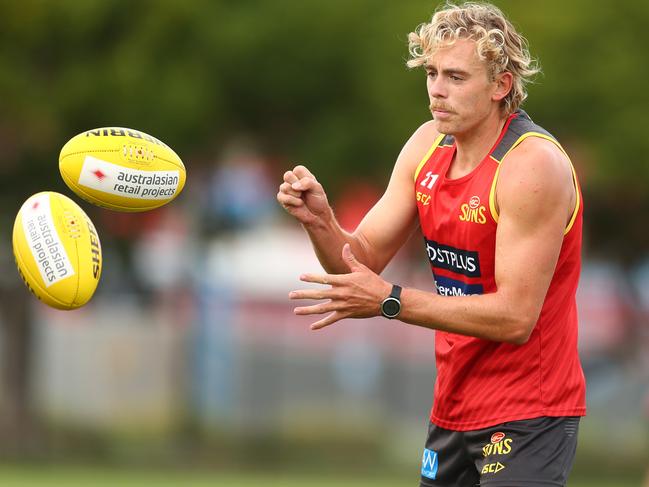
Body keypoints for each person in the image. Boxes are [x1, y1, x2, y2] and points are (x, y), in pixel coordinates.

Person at [277, 2, 585, 486]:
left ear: (500, 86)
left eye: (457, 77)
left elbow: (516, 317)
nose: (437, 91)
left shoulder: (531, 167)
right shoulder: (426, 146)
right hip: (453, 405)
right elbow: (358, 263)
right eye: (432, 73)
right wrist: (320, 222)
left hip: (529, 411)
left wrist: (391, 301)